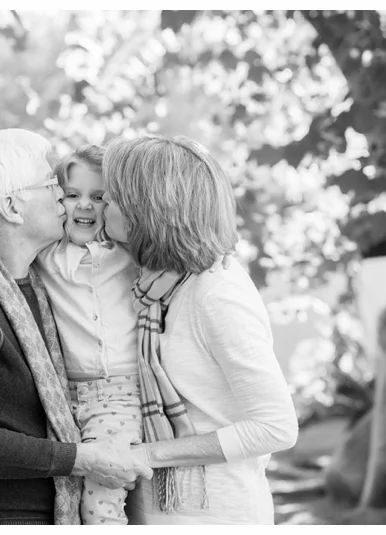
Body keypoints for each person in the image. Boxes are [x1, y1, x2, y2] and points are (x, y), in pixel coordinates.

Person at [0, 129, 152, 525]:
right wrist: (80, 459)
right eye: (50, 185)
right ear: (12, 207)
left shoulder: (37, 282)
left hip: (57, 512)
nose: (61, 195)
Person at [102, 135, 298, 524]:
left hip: (215, 515)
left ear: (147, 206)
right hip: (154, 508)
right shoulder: (154, 285)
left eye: (112, 195)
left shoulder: (216, 292)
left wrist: (148, 454)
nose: (102, 203)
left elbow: (276, 427)